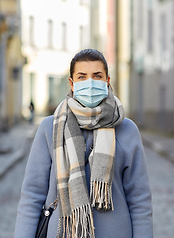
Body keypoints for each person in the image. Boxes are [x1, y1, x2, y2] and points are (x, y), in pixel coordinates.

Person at [14, 49, 153, 238]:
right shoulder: (50, 128)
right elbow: (32, 196)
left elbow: (140, 200)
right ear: (71, 83)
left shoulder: (127, 130)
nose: (90, 83)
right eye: (82, 77)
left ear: (107, 81)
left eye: (97, 76)